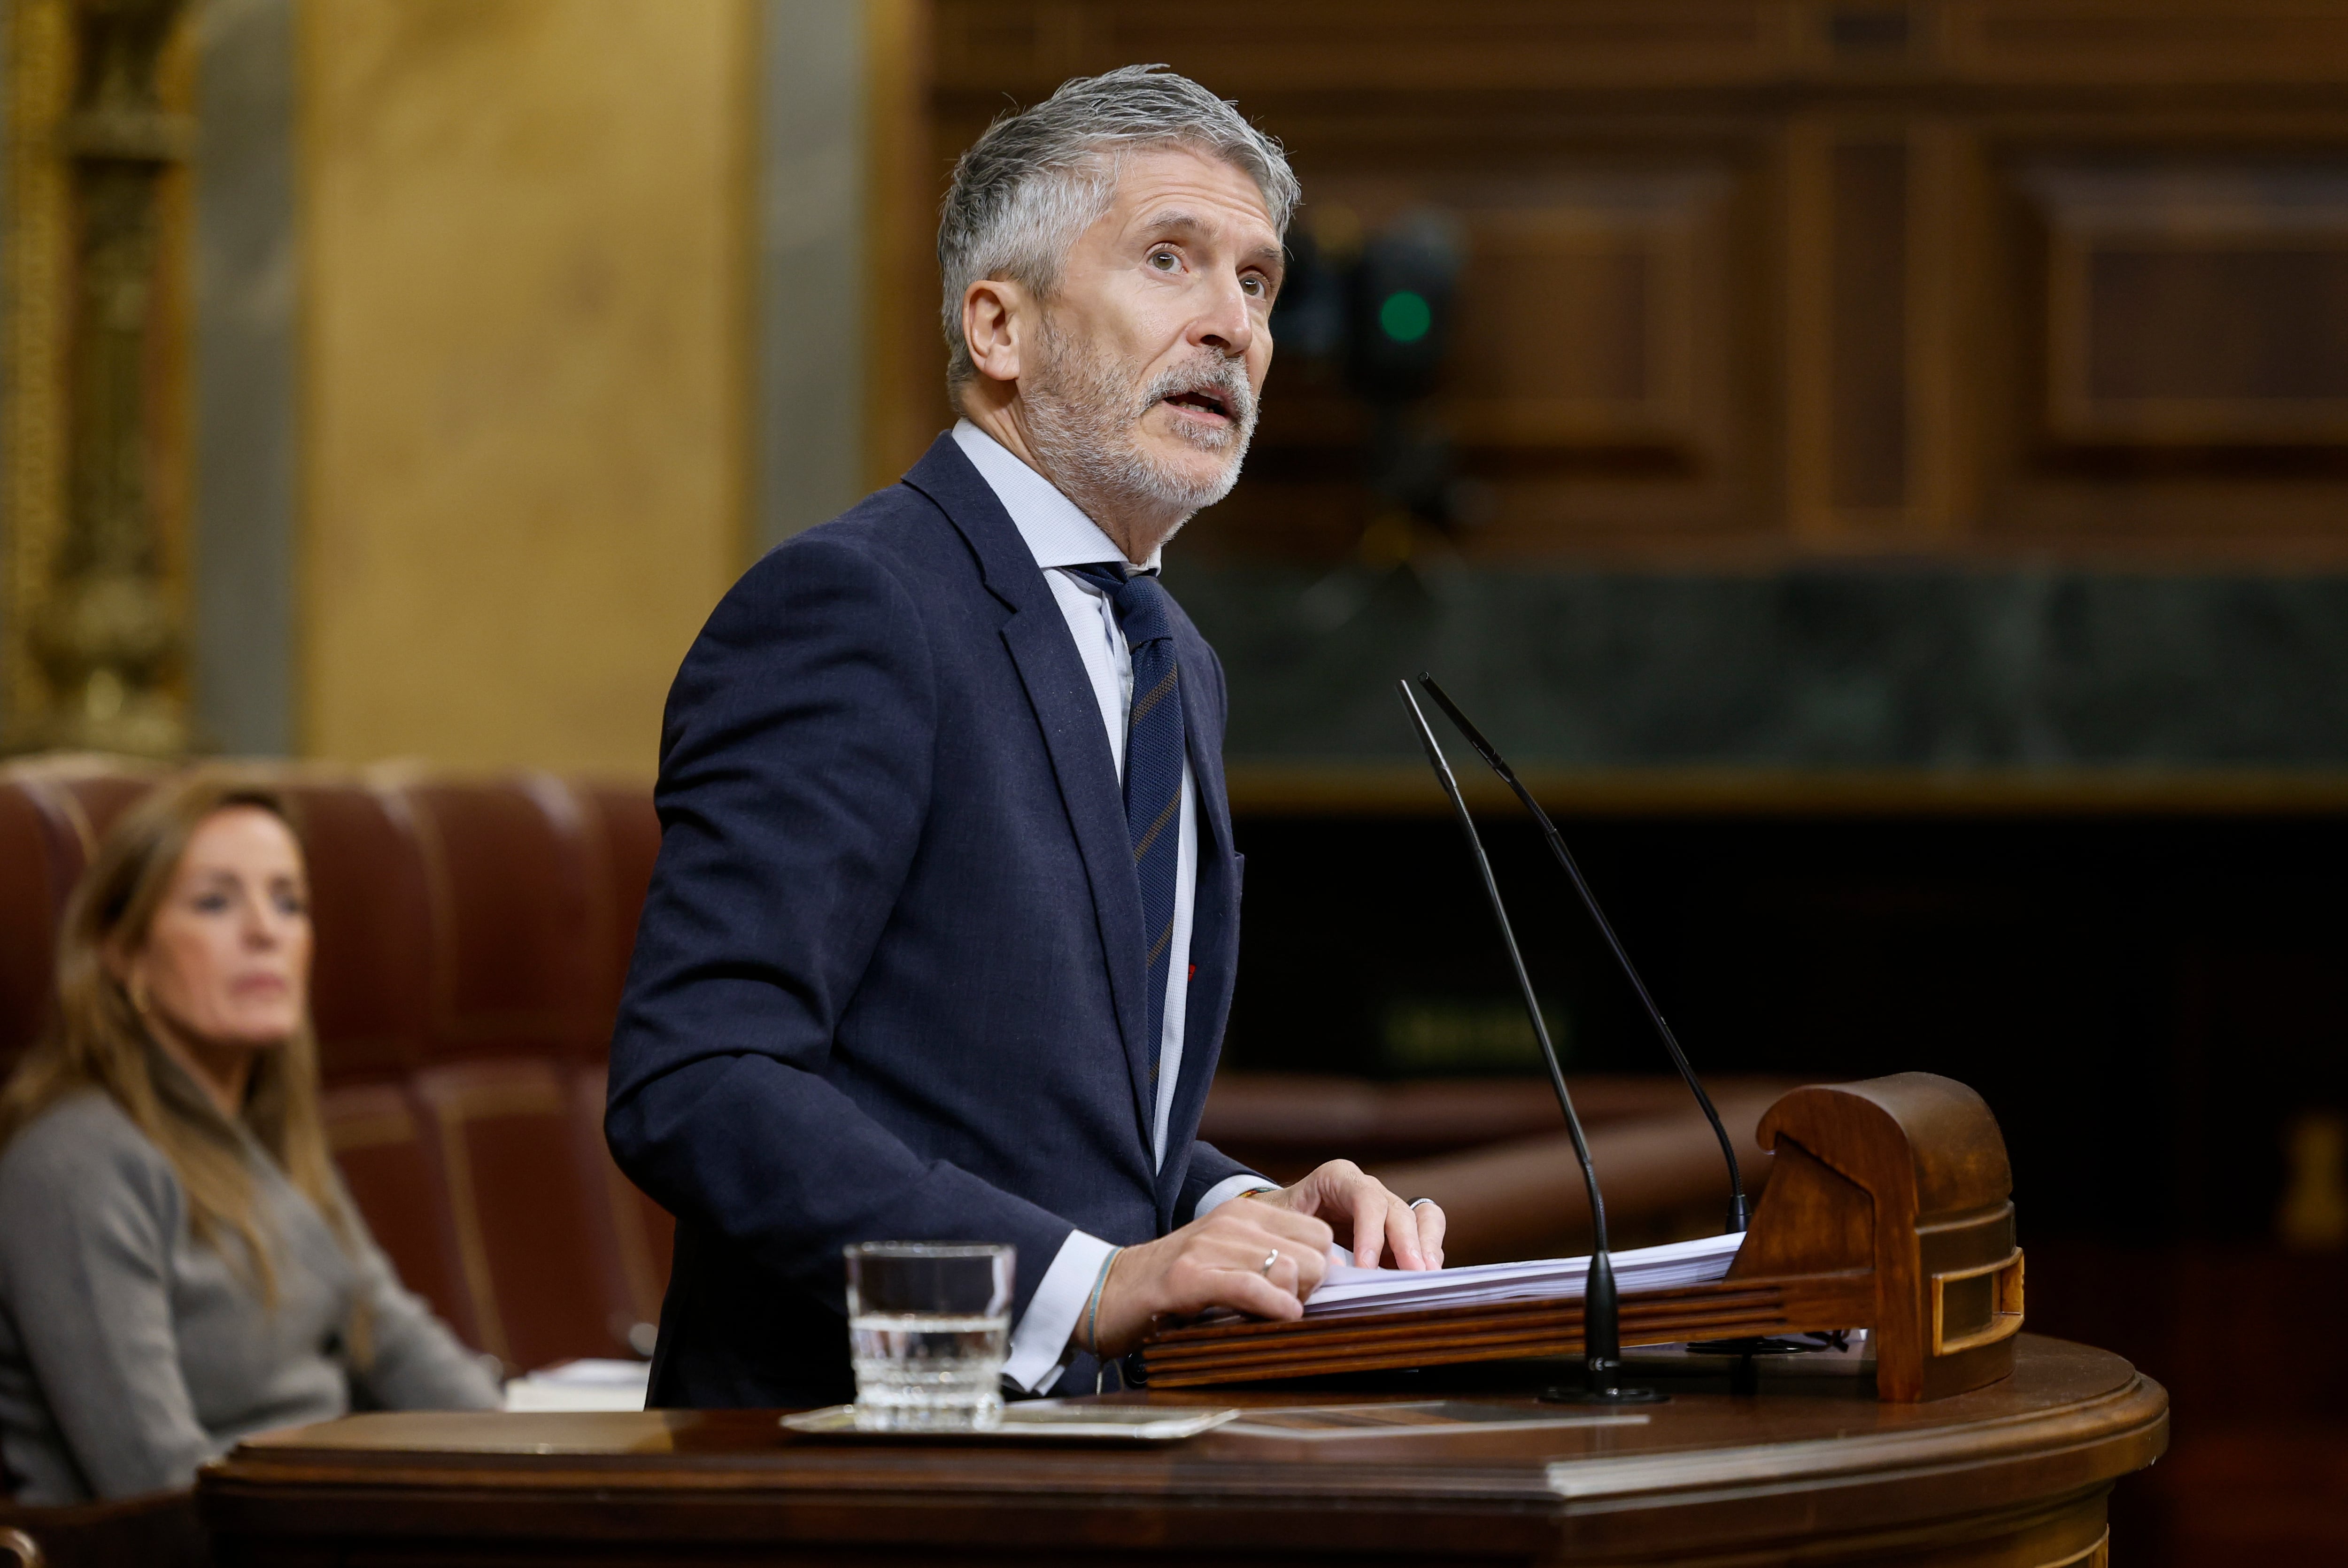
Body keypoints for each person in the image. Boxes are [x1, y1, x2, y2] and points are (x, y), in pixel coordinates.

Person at [607, 64, 1445, 1408]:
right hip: (843, 1463)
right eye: (1171, 259)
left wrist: (1243, 1202)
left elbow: (1029, 1104)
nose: (1231, 325)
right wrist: (1091, 1286)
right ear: (998, 327)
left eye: (1258, 282)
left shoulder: (1177, 658)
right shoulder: (859, 606)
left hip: (1081, 1465)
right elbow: (701, 1078)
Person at [0, 778, 498, 1504]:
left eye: (289, 902)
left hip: (309, 1528)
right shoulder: (75, 1162)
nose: (266, 931)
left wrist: (538, 1467)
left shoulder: (268, 1135)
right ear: (123, 952)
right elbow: (153, 1483)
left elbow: (388, 1335)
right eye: (216, 901)